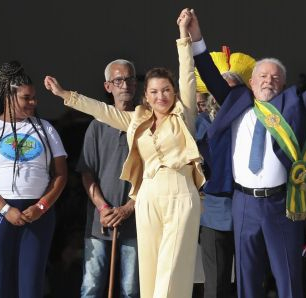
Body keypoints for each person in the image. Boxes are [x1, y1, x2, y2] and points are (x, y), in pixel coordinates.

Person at [184, 8, 306, 298]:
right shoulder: (236, 101)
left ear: (283, 85)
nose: (268, 81)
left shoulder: (291, 107)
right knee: (247, 279)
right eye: (262, 76)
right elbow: (210, 74)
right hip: (243, 203)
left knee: (288, 276)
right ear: (251, 82)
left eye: (275, 78)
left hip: (280, 204)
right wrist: (196, 37)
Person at [44, 11, 205, 298]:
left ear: (174, 93)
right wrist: (66, 95)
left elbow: (187, 74)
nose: (160, 96)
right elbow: (102, 111)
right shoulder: (137, 119)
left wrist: (185, 35)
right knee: (149, 274)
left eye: (166, 90)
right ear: (147, 96)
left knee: (171, 270)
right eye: (154, 91)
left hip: (181, 191)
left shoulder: (184, 115)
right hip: (146, 196)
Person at [0, 61, 68, 298]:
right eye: (27, 98)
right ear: (8, 97)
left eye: (34, 97)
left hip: (37, 212)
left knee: (30, 283)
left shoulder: (45, 129)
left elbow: (61, 175)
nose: (33, 103)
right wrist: (5, 209)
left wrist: (41, 207)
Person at [195, 48, 255, 298]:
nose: (226, 98)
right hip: (213, 210)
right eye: (221, 91)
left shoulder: (251, 121)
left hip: (247, 208)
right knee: (216, 284)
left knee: (248, 280)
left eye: (233, 92)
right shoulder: (200, 123)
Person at [77, 59, 139, 298]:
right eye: (118, 80)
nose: (125, 85)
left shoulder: (146, 125)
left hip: (135, 220)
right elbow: (87, 173)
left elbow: (153, 176)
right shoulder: (97, 126)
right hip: (99, 221)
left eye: (130, 79)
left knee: (130, 289)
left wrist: (128, 208)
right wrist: (103, 208)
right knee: (91, 286)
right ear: (108, 87)